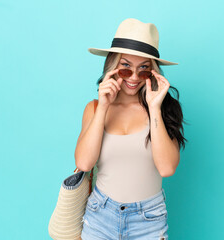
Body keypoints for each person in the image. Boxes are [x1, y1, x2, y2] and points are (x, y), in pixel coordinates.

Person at [75, 18, 187, 240]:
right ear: (113, 66)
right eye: (126, 67)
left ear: (153, 72)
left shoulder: (165, 109)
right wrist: (104, 106)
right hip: (100, 216)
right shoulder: (95, 108)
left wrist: (154, 108)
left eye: (143, 70)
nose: (134, 78)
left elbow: (167, 168)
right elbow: (84, 163)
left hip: (148, 220)